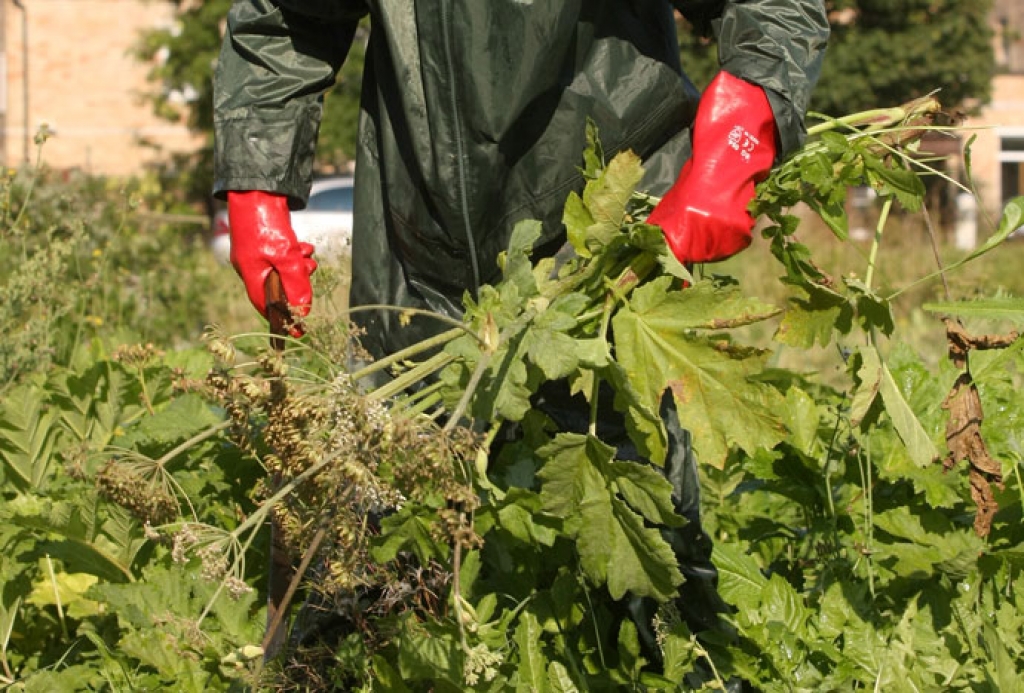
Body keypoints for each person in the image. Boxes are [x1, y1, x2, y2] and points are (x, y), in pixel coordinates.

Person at [213, 0, 829, 671]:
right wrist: (256, 180)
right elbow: (289, 18)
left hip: (605, 226)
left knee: (640, 559)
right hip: (416, 244)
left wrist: (744, 129)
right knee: (366, 558)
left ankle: (681, 668)